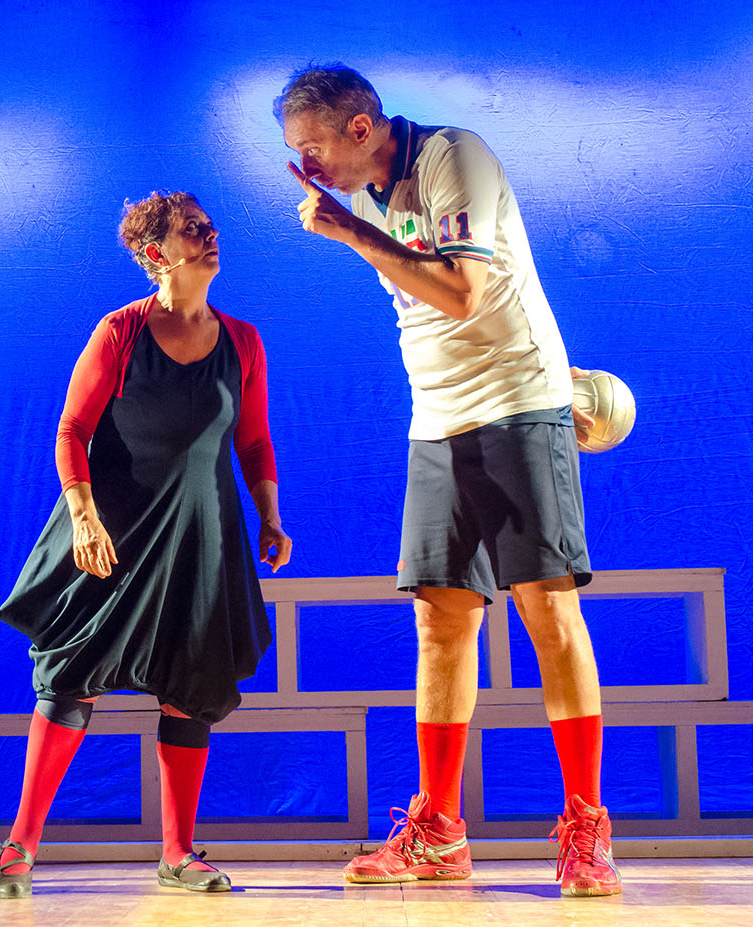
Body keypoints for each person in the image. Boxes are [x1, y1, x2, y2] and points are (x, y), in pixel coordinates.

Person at [272, 65, 619, 897]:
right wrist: (355, 223)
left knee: (547, 610)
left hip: (517, 402)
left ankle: (586, 828)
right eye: (295, 151)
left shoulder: (453, 158)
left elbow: (464, 293)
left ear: (361, 128)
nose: (305, 166)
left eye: (313, 147)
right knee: (440, 621)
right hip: (436, 421)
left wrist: (350, 234)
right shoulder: (366, 197)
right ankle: (439, 831)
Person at [0, 191, 292, 898]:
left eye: (209, 226)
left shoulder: (243, 341)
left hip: (200, 536)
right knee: (69, 676)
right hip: (115, 532)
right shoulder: (120, 332)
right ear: (157, 253)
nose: (211, 234)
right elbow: (72, 430)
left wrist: (270, 517)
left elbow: (253, 441)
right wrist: (84, 518)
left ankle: (178, 853)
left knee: (192, 684)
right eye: (194, 229)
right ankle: (19, 844)